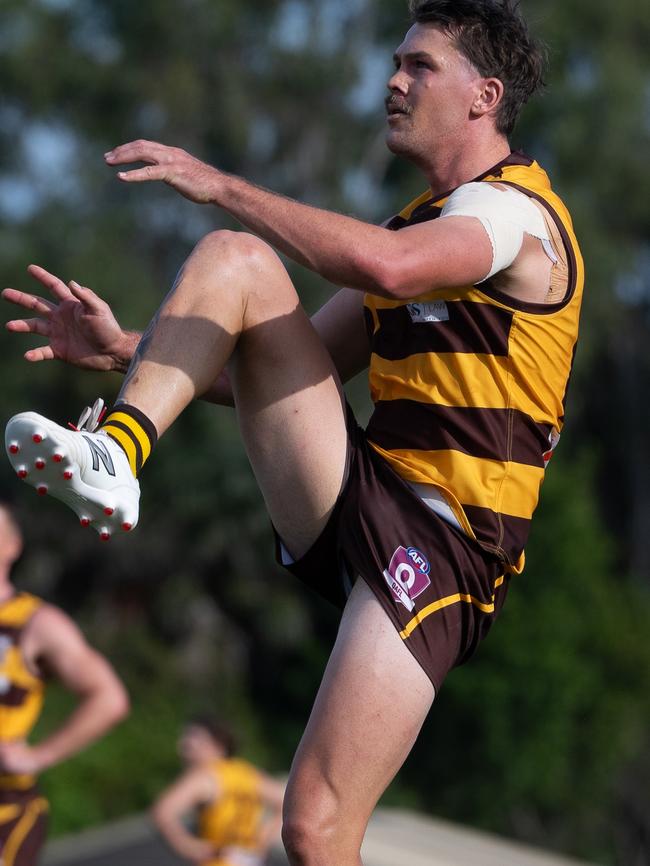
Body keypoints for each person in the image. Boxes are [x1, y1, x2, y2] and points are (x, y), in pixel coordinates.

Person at [3, 1, 584, 863]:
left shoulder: (514, 218)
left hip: (450, 545)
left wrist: (223, 182)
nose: (392, 80)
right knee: (235, 264)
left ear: (483, 95)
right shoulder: (419, 224)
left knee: (313, 828)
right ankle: (117, 451)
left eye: (418, 66)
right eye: (396, 62)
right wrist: (132, 349)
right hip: (360, 490)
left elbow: (384, 268)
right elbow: (271, 369)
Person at [0, 502, 130, 865]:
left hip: (6, 811)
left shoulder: (35, 623)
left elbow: (109, 698)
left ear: (13, 545)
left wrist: (39, 756)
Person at [150, 717, 284, 866]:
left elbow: (162, 811)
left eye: (193, 738)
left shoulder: (204, 777)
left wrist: (190, 847)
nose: (182, 745)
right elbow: (284, 802)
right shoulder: (247, 773)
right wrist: (263, 839)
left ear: (218, 745)